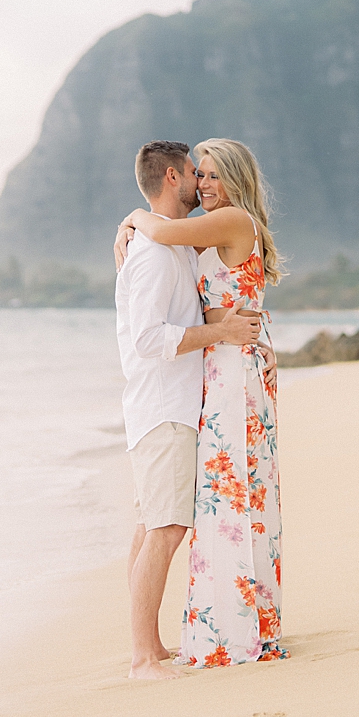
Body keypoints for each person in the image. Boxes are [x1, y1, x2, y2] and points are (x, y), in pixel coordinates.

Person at [116, 138, 288, 668]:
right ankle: (157, 646)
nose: (203, 184)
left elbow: (164, 234)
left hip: (228, 379)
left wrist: (132, 219)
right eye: (199, 174)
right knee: (201, 511)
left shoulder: (228, 222)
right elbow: (206, 311)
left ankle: (222, 629)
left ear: (234, 179)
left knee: (222, 504)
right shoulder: (187, 242)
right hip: (202, 384)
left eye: (212, 175)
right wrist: (133, 224)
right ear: (176, 177)